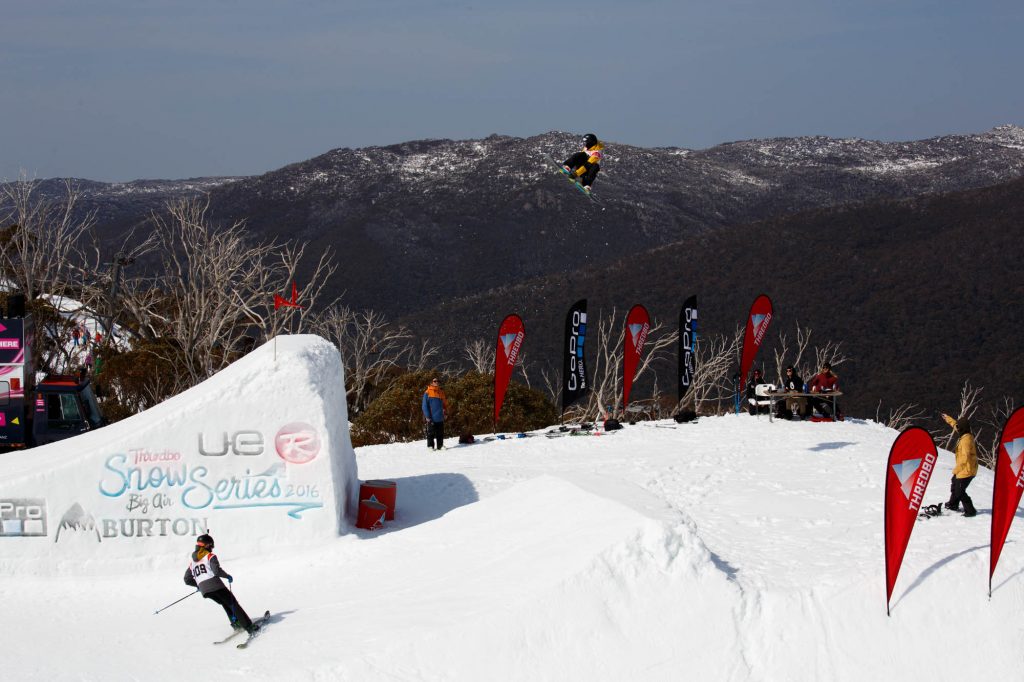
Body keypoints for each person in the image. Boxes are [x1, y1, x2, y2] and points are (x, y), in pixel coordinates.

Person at [183, 534, 258, 633]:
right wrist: (227, 576)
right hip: (216, 585)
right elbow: (217, 571)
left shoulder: (192, 563)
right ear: (207, 545)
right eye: (211, 546)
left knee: (225, 602)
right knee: (233, 603)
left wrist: (199, 585)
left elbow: (187, 579)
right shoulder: (210, 556)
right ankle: (249, 627)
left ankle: (236, 623)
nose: (212, 548)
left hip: (205, 591)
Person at [942, 413, 978, 517]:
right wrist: (947, 418)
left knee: (960, 491)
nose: (957, 428)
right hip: (964, 468)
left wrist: (956, 470)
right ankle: (953, 505)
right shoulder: (964, 433)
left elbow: (965, 458)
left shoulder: (966, 440)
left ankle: (970, 511)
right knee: (954, 483)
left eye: (959, 427)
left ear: (962, 428)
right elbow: (956, 425)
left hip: (967, 470)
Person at [421, 377, 448, 451]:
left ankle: (440, 446)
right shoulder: (427, 392)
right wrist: (427, 416)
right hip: (431, 417)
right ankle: (430, 446)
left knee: (440, 433)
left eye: (437, 381)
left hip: (440, 416)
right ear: (431, 382)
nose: (436, 382)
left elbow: (445, 404)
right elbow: (424, 405)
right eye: (435, 381)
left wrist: (445, 413)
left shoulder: (441, 392)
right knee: (431, 433)